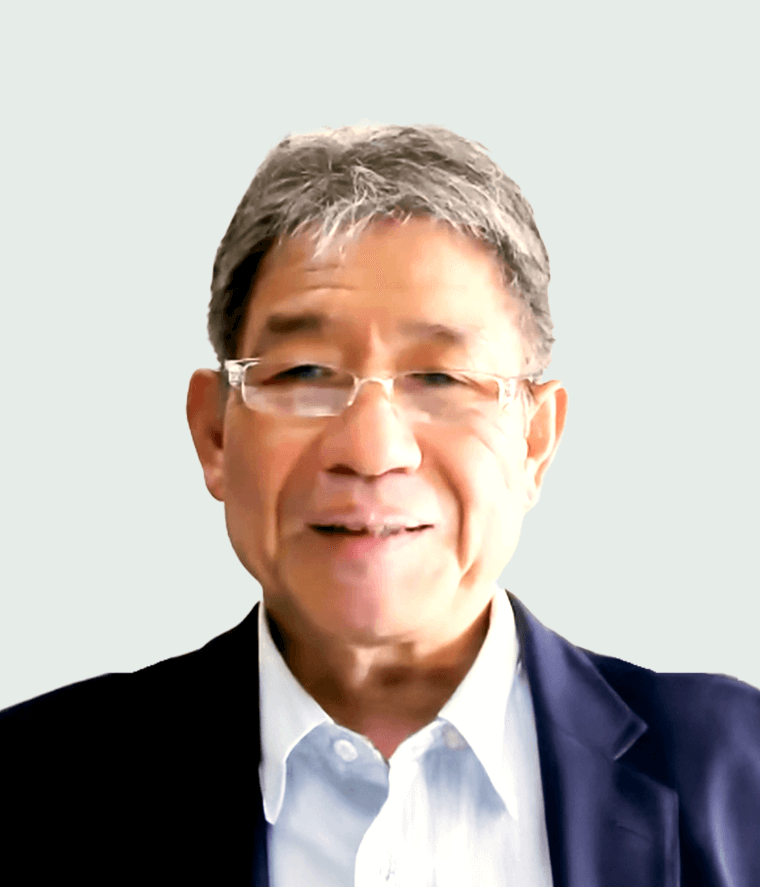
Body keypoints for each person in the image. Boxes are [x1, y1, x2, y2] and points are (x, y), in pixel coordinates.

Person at [2, 123, 758, 886]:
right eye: (304, 373)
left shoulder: (737, 773)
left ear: (535, 442)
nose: (371, 449)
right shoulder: (29, 786)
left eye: (441, 379)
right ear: (216, 434)